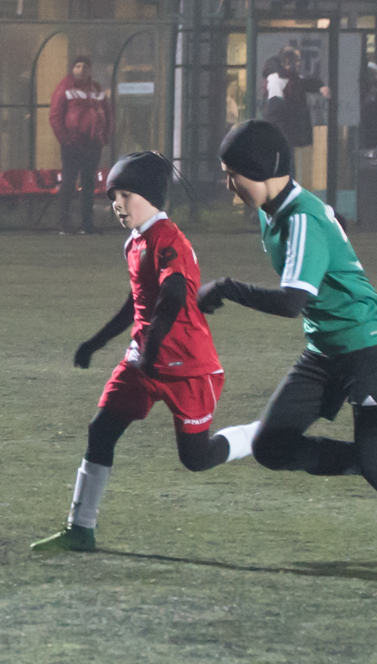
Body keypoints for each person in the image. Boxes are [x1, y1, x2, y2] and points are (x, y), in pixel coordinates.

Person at [197, 120, 377, 594]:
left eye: (235, 174)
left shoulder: (300, 218)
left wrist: (227, 287)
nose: (229, 185)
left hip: (368, 346)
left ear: (265, 169)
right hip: (326, 349)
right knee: (271, 446)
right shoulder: (276, 210)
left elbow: (291, 302)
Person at [30, 152, 249, 552]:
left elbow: (174, 295)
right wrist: (98, 342)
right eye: (113, 196)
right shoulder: (135, 241)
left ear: (149, 195)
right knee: (101, 430)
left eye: (125, 195)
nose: (116, 204)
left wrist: (153, 349)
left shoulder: (168, 239)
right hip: (143, 358)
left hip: (186, 364)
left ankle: (257, 435)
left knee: (196, 458)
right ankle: (81, 528)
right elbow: (139, 300)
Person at [49, 56, 114, 236]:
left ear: (89, 70)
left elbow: (108, 113)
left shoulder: (97, 89)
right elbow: (56, 115)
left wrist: (105, 136)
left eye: (85, 67)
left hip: (93, 143)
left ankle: (87, 224)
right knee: (69, 182)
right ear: (72, 69)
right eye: (78, 66)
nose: (81, 70)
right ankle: (64, 224)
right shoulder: (64, 88)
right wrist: (65, 139)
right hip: (72, 142)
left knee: (88, 183)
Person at [277, 46, 331, 173]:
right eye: (286, 58)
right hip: (282, 128)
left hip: (293, 129)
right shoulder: (278, 79)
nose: (288, 61)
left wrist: (321, 87)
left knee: (292, 163)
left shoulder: (298, 80)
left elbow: (308, 83)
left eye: (292, 59)